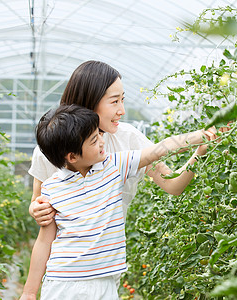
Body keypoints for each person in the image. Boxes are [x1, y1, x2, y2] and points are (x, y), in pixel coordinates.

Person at [20, 105, 217, 299]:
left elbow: (157, 151)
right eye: (94, 140)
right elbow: (44, 241)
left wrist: (201, 136)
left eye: (100, 135)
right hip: (63, 284)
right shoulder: (52, 188)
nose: (102, 142)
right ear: (72, 156)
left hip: (105, 283)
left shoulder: (114, 166)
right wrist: (29, 292)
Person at [29, 60, 207, 227]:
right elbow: (37, 201)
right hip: (62, 256)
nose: (121, 110)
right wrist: (36, 210)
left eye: (122, 100)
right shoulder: (49, 150)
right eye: (114, 101)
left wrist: (202, 148)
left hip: (108, 255)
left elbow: (172, 184)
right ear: (89, 101)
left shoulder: (128, 138)